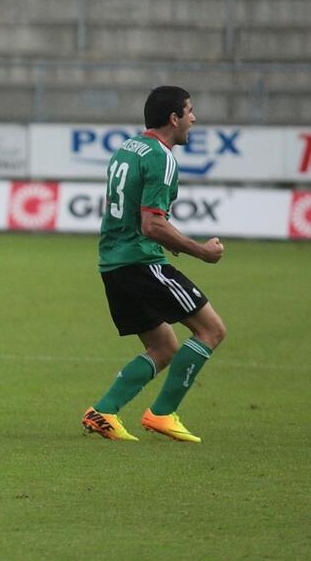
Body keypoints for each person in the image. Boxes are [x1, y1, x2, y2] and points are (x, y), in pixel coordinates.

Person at [82, 85, 227, 443]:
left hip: (113, 263)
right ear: (173, 118)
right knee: (211, 330)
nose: (193, 118)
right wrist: (200, 251)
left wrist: (167, 240)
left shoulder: (128, 148)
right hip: (140, 262)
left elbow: (142, 217)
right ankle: (162, 414)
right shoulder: (162, 158)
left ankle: (104, 410)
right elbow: (152, 225)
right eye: (189, 111)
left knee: (163, 348)